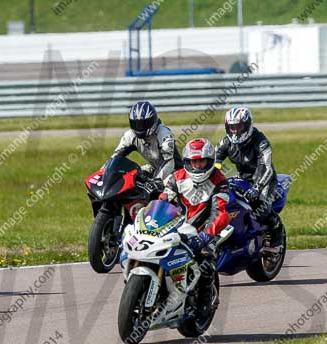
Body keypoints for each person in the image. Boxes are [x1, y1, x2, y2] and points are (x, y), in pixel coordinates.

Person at [159, 138, 229, 308]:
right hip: (177, 226)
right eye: (194, 162)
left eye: (201, 161)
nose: (197, 166)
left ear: (210, 161)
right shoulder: (176, 178)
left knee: (207, 260)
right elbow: (162, 202)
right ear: (187, 162)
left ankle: (204, 304)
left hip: (206, 230)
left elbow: (221, 213)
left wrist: (205, 236)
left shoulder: (220, 181)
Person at [215, 106, 283, 247]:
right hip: (243, 178)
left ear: (247, 125)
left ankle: (276, 228)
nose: (235, 131)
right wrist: (212, 180)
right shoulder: (225, 143)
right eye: (232, 127)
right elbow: (216, 163)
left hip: (265, 179)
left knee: (261, 208)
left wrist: (257, 188)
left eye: (239, 127)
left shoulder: (261, 142)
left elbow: (267, 168)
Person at [112, 100, 182, 194]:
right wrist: (103, 173)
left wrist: (155, 180)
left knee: (157, 194)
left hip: (174, 172)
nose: (139, 128)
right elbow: (116, 157)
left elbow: (169, 162)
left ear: (152, 121)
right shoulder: (130, 135)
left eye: (143, 124)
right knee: (131, 179)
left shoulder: (164, 133)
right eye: (136, 124)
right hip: (153, 168)